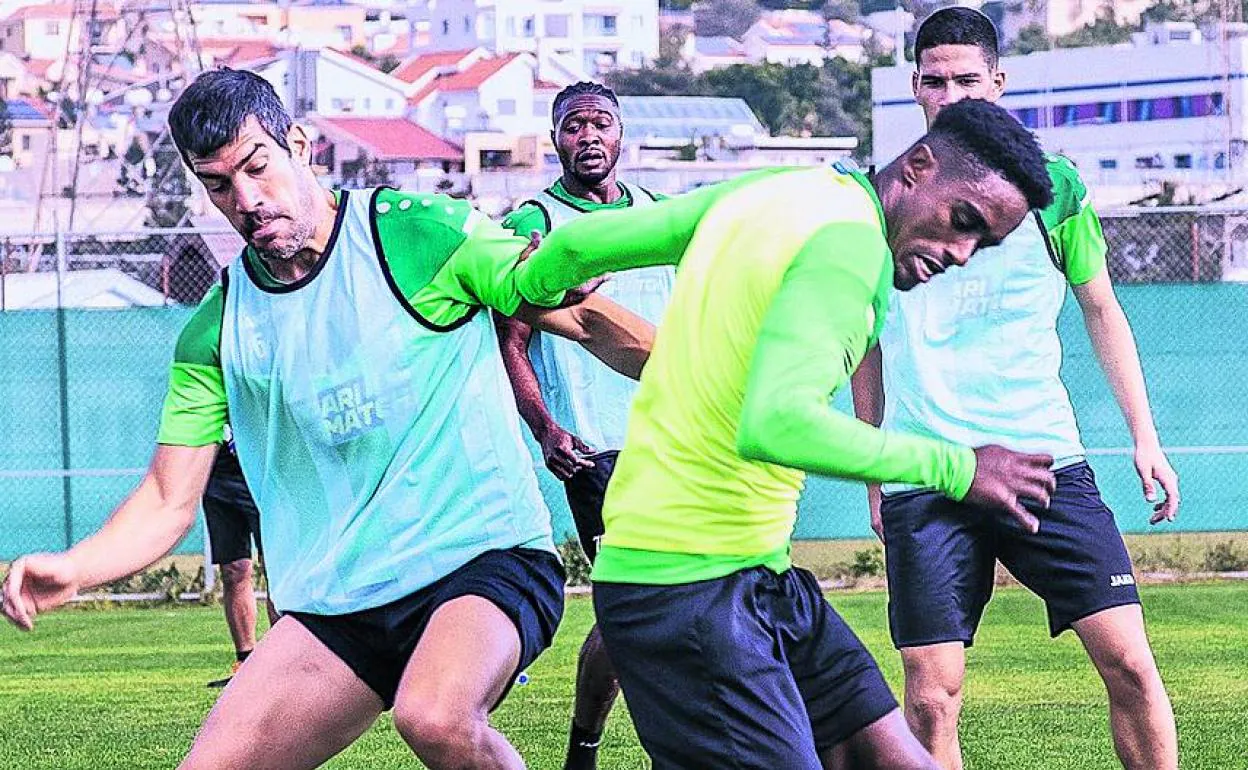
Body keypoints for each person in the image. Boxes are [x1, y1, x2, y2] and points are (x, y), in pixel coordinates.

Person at [1, 68, 654, 770]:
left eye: (257, 167)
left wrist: (719, 384)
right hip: (340, 607)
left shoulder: (419, 235)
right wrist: (76, 567)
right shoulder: (217, 330)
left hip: (482, 559)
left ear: (300, 146)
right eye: (218, 184)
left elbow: (581, 316)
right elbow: (167, 500)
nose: (246, 200)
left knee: (434, 715)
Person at [509, 97, 1057, 769]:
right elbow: (776, 422)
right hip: (684, 592)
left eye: (983, 243)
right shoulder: (850, 250)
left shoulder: (783, 189)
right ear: (918, 167)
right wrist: (959, 469)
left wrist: (527, 285)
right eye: (963, 221)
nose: (962, 253)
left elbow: (575, 244)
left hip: (758, 575)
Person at [850, 9, 1179, 770]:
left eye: (969, 79)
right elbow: (865, 343)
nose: (953, 94)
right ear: (915, 88)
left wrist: (1145, 437)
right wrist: (874, 467)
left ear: (998, 83)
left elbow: (1102, 309)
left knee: (1129, 662)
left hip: (1046, 462)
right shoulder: (882, 197)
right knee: (932, 697)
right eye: (936, 81)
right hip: (924, 471)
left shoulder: (1055, 187)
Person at [494, 81, 671, 770]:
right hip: (594, 448)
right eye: (573, 126)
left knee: (649, 605)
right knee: (643, 602)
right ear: (556, 138)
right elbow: (510, 338)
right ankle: (625, 744)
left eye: (600, 124)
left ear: (622, 135)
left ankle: (584, 751)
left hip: (675, 440)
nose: (588, 137)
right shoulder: (532, 224)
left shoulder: (660, 217)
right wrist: (545, 426)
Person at [202, 431, 279, 689]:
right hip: (219, 476)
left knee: (276, 569)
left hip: (262, 473)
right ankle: (244, 662)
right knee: (234, 570)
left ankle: (283, 664)